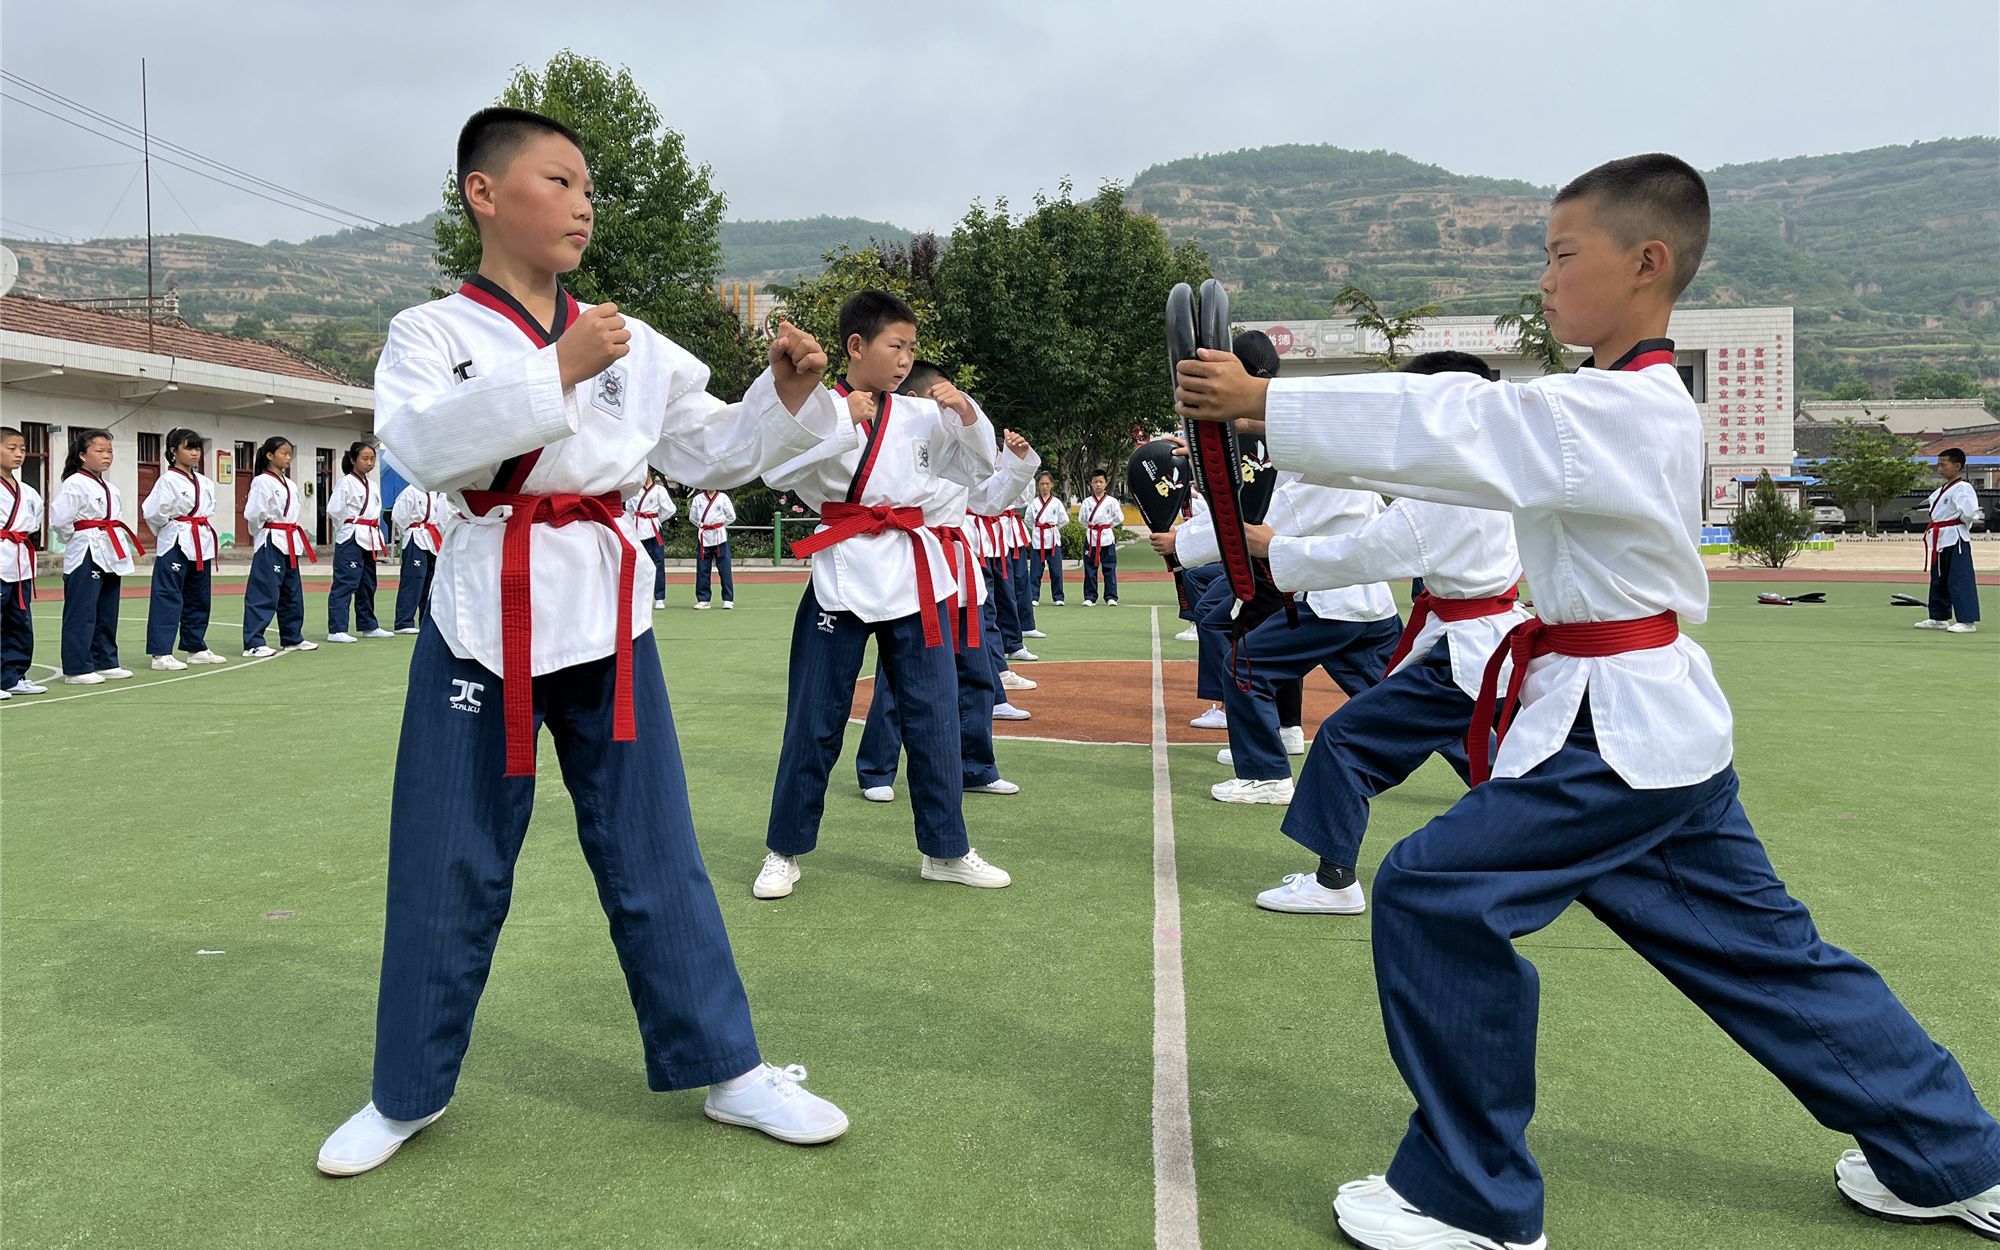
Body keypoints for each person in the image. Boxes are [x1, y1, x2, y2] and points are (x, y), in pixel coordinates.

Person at [1176, 152, 2000, 1249]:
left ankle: (1471, 1198)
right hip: (1644, 727)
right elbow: (1463, 438)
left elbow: (1457, 425)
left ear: (1646, 262)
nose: (1548, 279)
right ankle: (1953, 1156)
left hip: (1607, 727)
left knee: (1429, 892)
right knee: (1764, 954)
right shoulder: (1611, 404)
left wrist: (1263, 401)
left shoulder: (1609, 410)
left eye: (1565, 254)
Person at [315, 106, 850, 1179]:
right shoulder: (432, 333)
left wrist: (784, 392)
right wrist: (554, 370)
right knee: (446, 856)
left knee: (654, 848)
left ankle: (730, 1068)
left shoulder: (628, 341)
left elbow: (713, 452)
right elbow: (419, 445)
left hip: (608, 611)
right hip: (481, 615)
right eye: (558, 180)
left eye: (588, 187)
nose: (582, 202)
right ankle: (405, 1090)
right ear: (483, 191)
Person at [1248, 351, 1525, 914]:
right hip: (1497, 641)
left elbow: (1361, 554)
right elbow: (1366, 466)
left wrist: (1273, 548)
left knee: (1345, 741)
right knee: (1525, 759)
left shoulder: (1442, 500)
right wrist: (1262, 421)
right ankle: (1550, 854)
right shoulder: (1500, 467)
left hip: (1463, 653)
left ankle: (1334, 882)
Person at [759, 290, 1011, 900]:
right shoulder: (817, 407)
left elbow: (976, 469)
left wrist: (966, 413)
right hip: (842, 567)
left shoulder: (924, 414)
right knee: (815, 717)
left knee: (933, 715)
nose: (906, 360)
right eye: (895, 346)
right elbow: (775, 470)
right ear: (856, 347)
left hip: (913, 571)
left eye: (912, 349)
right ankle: (784, 849)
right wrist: (845, 425)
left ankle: (946, 849)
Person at [855, 364, 1038, 802]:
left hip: (957, 565)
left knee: (975, 672)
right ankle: (876, 769)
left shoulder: (958, 457)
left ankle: (974, 765)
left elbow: (991, 499)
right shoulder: (894, 452)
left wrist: (1016, 461)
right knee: (898, 672)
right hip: (913, 566)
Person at [1170, 479, 1401, 805]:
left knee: (1243, 668)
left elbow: (1252, 524)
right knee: (1411, 698)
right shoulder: (1350, 476)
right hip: (1372, 605)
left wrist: (1178, 542)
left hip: (1332, 604)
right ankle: (1488, 772)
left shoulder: (1321, 479)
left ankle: (1266, 775)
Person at [49, 429, 139, 685]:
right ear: (82, 455)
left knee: (107, 608)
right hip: (86, 548)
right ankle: (77, 667)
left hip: (110, 547)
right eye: (99, 450)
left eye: (109, 451)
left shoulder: (110, 487)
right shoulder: (74, 483)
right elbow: (60, 521)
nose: (106, 456)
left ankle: (106, 660)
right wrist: (77, 537)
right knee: (83, 610)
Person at [141, 427, 228, 670]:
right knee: (168, 596)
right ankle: (160, 653)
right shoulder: (167, 480)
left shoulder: (205, 482)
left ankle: (195, 646)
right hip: (176, 540)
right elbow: (153, 513)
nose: (194, 453)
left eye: (197, 447)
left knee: (199, 597)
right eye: (188, 447)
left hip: (201, 540)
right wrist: (170, 528)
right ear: (173, 451)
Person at [241, 437, 318, 658]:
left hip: (289, 540)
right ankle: (254, 641)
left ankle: (292, 637)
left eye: (289, 454)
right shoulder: (262, 481)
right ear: (269, 455)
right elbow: (254, 514)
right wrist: (263, 531)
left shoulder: (290, 484)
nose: (287, 457)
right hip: (271, 538)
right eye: (283, 453)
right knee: (265, 591)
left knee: (292, 592)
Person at [325, 441, 392, 642]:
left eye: (372, 458)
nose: (369, 462)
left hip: (369, 536)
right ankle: (336, 629)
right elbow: (334, 510)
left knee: (368, 583)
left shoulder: (372, 485)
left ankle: (368, 624)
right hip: (352, 535)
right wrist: (348, 525)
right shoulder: (345, 482)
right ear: (353, 460)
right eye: (364, 458)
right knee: (346, 582)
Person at [0, 426, 45, 698]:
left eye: (23, 449)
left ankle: (12, 676)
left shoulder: (28, 491)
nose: (19, 454)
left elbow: (34, 523)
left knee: (19, 620)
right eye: (11, 448)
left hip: (20, 562)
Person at [1916, 447, 1981, 633]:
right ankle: (1938, 617)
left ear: (1957, 466)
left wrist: (1959, 526)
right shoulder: (1939, 491)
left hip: (1955, 537)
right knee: (1939, 578)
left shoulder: (1964, 488)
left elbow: (1969, 513)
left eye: (1943, 464)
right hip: (1939, 538)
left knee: (1959, 578)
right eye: (1939, 464)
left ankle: (1967, 620)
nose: (1939, 468)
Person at [391, 480, 453, 633]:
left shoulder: (433, 493)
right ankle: (404, 621)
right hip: (416, 536)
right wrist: (410, 528)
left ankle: (426, 620)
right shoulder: (410, 491)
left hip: (431, 538)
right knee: (414, 579)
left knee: (430, 580)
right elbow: (398, 517)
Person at [628, 469, 676, 609]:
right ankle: (639, 595)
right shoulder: (634, 490)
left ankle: (659, 597)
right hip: (638, 529)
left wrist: (656, 518)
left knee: (658, 563)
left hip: (653, 529)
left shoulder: (659, 490)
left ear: (649, 473)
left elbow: (670, 509)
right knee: (638, 563)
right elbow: (630, 510)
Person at [1077, 471, 1122, 604]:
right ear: (1091, 484)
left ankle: (1111, 596)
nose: (1098, 484)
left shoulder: (1112, 502)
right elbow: (1082, 520)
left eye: (1101, 482)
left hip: (1107, 538)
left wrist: (1106, 526)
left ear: (1106, 484)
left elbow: (1119, 518)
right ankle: (1090, 597)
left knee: (1109, 568)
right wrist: (1093, 528)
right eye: (1095, 482)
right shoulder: (1086, 502)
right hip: (1091, 538)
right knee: (1090, 569)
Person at [1025, 472, 1067, 607]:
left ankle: (1058, 597)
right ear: (1038, 486)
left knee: (1056, 571)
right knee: (1036, 572)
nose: (1044, 486)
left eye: (1047, 483)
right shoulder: (1034, 503)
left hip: (1053, 540)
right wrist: (1038, 528)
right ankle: (1034, 596)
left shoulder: (1056, 503)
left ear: (1052, 485)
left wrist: (1052, 527)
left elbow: (1063, 520)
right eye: (1042, 484)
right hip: (1038, 540)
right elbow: (1028, 520)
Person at [689, 487, 736, 609]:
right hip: (704, 537)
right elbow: (693, 518)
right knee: (703, 569)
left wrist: (719, 525)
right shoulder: (698, 499)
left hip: (719, 537)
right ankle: (703, 599)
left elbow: (731, 516)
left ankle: (728, 599)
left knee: (724, 569)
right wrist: (703, 526)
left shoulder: (723, 498)